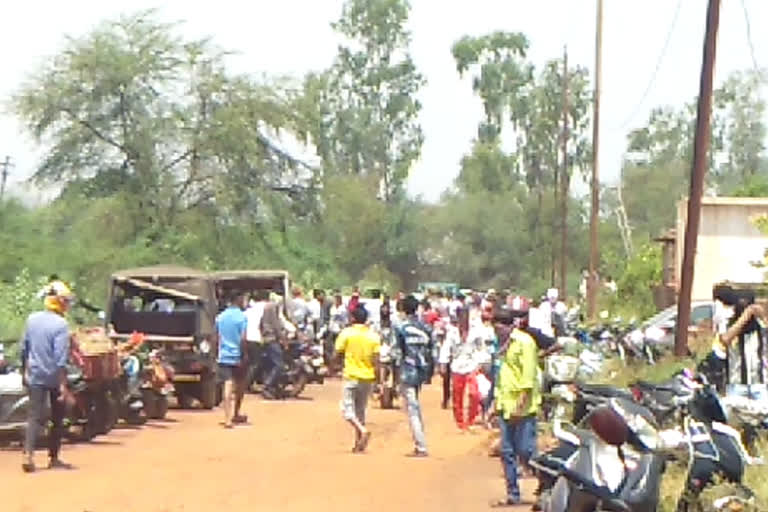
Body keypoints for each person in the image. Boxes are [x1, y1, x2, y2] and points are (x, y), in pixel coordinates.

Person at [21, 281, 76, 473]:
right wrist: (62, 386)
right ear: (59, 302)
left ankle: (28, 454)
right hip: (53, 377)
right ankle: (54, 458)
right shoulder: (61, 325)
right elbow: (60, 358)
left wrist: (24, 372)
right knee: (58, 418)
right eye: (66, 301)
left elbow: (24, 349)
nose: (67, 305)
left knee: (34, 416)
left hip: (35, 375)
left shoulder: (32, 319)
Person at [493, 296, 541, 507]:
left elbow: (528, 376)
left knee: (526, 452)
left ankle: (548, 486)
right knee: (507, 452)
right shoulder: (503, 345)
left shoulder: (525, 343)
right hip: (505, 405)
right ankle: (513, 493)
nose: (498, 331)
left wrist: (520, 405)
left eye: (500, 327)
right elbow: (503, 375)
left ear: (509, 326)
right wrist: (496, 404)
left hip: (523, 407)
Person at [335, 304, 381, 453]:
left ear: (352, 318)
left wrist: (331, 367)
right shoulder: (373, 336)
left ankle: (362, 430)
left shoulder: (346, 333)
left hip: (351, 375)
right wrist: (378, 380)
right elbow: (376, 360)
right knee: (360, 410)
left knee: (346, 410)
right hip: (367, 376)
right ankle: (359, 443)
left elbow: (338, 353)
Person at [394, 295, 433, 457]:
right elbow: (431, 351)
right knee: (414, 406)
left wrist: (395, 376)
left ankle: (421, 445)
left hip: (407, 371)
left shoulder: (401, 328)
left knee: (412, 409)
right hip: (421, 371)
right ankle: (420, 442)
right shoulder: (425, 327)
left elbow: (398, 353)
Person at [439, 308, 482, 432]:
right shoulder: (452, 333)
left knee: (474, 393)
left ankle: (471, 419)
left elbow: (480, 348)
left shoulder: (475, 331)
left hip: (472, 365)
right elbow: (446, 348)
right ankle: (460, 422)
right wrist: (443, 363)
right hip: (457, 366)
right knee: (457, 396)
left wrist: (480, 362)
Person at [216, 291, 248, 428]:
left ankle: (227, 418)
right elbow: (243, 338)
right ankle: (236, 413)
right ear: (239, 300)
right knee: (240, 385)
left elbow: (216, 337)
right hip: (237, 355)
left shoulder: (220, 317)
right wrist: (243, 354)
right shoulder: (242, 317)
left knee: (227, 385)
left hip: (223, 355)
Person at [261, 296, 287, 400]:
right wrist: (283, 340)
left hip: (267, 339)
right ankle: (267, 386)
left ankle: (273, 387)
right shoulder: (272, 308)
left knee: (272, 364)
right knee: (279, 365)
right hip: (272, 339)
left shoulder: (265, 310)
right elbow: (276, 326)